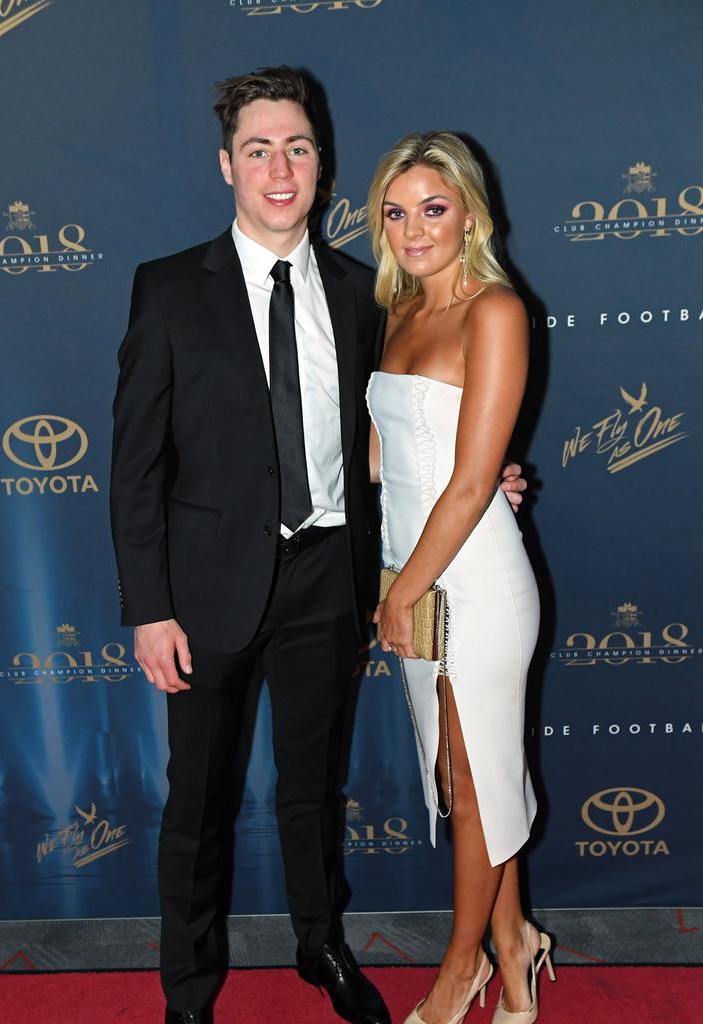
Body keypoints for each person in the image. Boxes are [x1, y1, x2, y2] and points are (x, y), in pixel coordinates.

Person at [111, 68, 526, 1024]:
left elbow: (406, 432)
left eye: (297, 146)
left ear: (322, 165)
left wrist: (486, 472)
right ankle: (188, 993)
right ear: (228, 167)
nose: (280, 166)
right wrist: (147, 605)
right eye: (258, 148)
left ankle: (320, 947)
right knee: (198, 805)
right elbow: (134, 466)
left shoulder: (365, 292)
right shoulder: (169, 289)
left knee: (314, 790)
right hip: (207, 590)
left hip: (328, 579)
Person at [366, 132, 554, 1024]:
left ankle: (459, 970)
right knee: (464, 781)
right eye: (396, 213)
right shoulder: (398, 314)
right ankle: (515, 947)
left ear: (471, 211)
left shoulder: (495, 310)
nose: (413, 230)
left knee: (477, 781)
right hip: (412, 575)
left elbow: (475, 481)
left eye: (433, 208)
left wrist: (401, 593)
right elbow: (383, 464)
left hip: (472, 583)